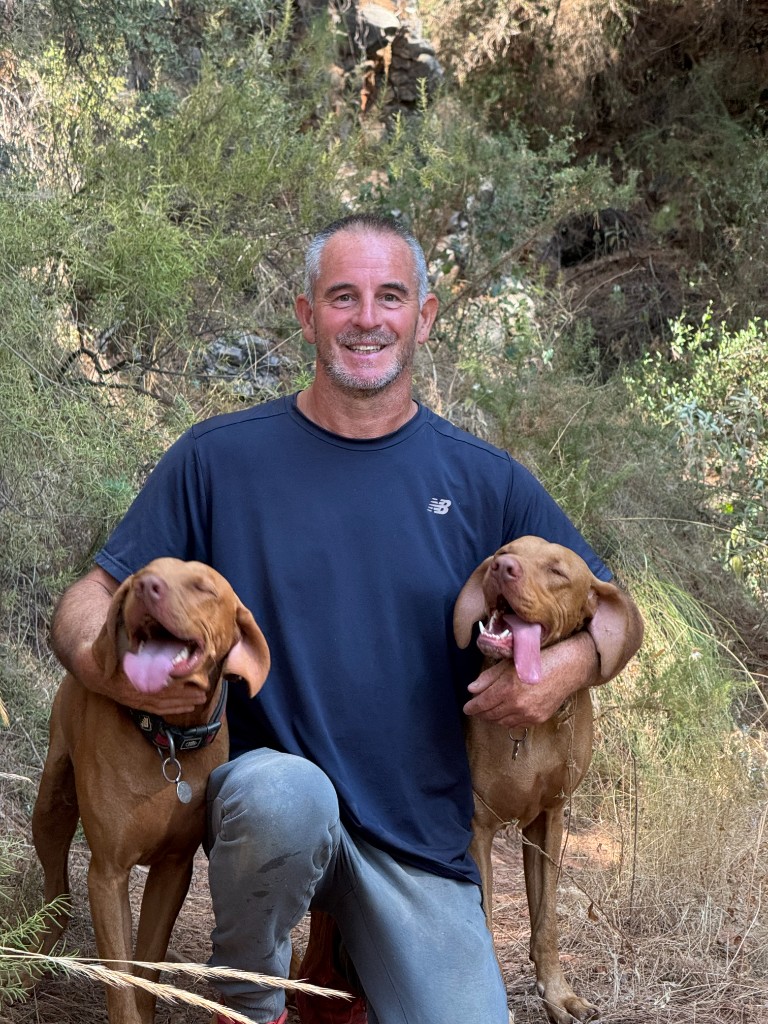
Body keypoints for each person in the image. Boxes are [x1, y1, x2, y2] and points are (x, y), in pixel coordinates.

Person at [50, 213, 643, 1024]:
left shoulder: (485, 482)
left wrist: (567, 669)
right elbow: (89, 598)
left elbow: (617, 615)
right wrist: (108, 667)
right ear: (306, 315)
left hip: (419, 842)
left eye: (390, 296)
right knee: (279, 798)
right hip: (274, 805)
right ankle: (252, 998)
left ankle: (350, 961)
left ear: (424, 318)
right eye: (343, 296)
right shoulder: (219, 458)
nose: (367, 318)